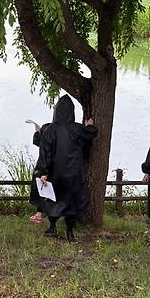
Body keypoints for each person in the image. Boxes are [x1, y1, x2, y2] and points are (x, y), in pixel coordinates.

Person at [35, 96, 97, 241]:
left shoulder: (50, 130)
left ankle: (52, 227)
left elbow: (44, 152)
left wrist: (43, 171)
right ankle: (70, 232)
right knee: (72, 203)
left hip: (55, 172)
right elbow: (91, 133)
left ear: (56, 111)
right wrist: (89, 125)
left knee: (53, 199)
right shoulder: (77, 128)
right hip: (74, 172)